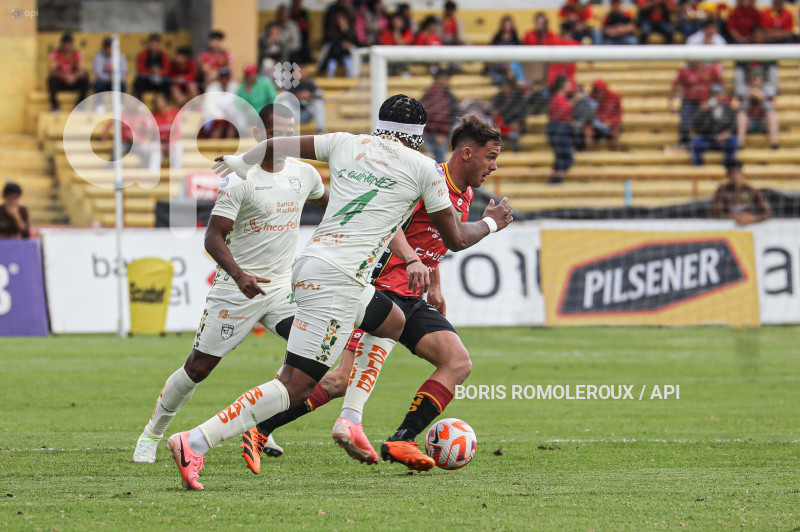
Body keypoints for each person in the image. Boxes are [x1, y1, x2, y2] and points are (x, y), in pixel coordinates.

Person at [166, 94, 513, 490]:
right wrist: (491, 224)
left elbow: (274, 146)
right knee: (296, 385)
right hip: (338, 283)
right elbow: (454, 238)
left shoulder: (346, 142)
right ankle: (194, 441)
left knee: (393, 321)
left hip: (319, 267)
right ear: (418, 136)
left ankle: (354, 419)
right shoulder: (423, 169)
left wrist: (239, 163)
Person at [238, 115, 504, 473]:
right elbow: (392, 223)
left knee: (457, 362)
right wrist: (489, 224)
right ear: (468, 153)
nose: (494, 165)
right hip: (376, 289)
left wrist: (435, 285)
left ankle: (403, 438)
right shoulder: (423, 176)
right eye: (491, 156)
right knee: (337, 379)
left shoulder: (464, 192)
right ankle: (258, 428)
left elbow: (436, 239)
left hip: (410, 296)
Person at [132, 103, 330, 464]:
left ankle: (260, 428)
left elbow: (334, 211)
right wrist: (240, 276)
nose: (284, 138)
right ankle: (152, 433)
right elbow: (213, 238)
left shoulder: (305, 175)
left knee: (310, 356)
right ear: (258, 134)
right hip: (236, 291)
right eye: (276, 131)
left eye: (290, 131)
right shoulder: (240, 179)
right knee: (197, 369)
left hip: (282, 290)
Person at [668, 61, 723, 146]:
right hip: (689, 101)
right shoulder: (684, 71)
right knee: (685, 123)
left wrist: (711, 103)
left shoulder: (712, 69)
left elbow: (720, 92)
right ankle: (684, 142)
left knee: (711, 121)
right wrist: (670, 104)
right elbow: (674, 87)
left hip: (706, 102)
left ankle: (711, 142)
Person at [711, 160, 772, 225]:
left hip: (749, 226)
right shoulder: (722, 191)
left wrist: (754, 218)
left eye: (736, 173)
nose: (734, 177)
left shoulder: (751, 190)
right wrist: (732, 217)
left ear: (742, 174)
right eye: (732, 174)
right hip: (728, 226)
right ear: (728, 175)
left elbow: (768, 213)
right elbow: (716, 213)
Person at [689, 87, 738, 166]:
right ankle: (698, 167)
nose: (717, 97)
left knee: (733, 140)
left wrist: (727, 133)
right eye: (714, 95)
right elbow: (696, 126)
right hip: (708, 140)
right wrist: (702, 111)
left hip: (723, 140)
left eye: (719, 95)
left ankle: (728, 166)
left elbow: (733, 125)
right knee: (696, 141)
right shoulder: (704, 109)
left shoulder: (728, 109)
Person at [736, 67, 779, 150]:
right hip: (749, 123)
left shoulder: (768, 89)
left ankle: (774, 143)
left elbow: (771, 108)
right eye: (752, 79)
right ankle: (740, 143)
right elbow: (740, 109)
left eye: (756, 79)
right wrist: (747, 98)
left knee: (772, 115)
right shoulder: (744, 90)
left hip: (764, 123)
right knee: (741, 115)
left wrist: (762, 99)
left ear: (762, 79)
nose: (753, 81)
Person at [421, 69, 459, 162]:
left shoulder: (447, 95)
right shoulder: (434, 94)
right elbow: (439, 116)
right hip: (433, 133)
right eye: (445, 79)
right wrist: (441, 133)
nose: (448, 81)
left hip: (434, 131)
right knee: (436, 160)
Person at [547, 75, 577, 184]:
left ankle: (554, 181)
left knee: (561, 158)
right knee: (567, 158)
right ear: (563, 85)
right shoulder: (559, 97)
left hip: (558, 129)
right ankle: (555, 181)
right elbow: (561, 112)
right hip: (559, 129)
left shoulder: (558, 97)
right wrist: (573, 101)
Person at [47, 33, 89, 112]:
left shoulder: (77, 54)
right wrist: (64, 76)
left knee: (85, 79)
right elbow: (52, 70)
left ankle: (79, 106)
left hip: (74, 81)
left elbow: (82, 70)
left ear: (72, 44)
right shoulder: (56, 54)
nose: (67, 46)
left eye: (69, 44)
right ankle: (55, 106)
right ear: (62, 44)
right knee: (51, 79)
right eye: (65, 44)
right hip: (61, 82)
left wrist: (74, 77)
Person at [202, 67, 241, 139]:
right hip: (213, 117)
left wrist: (228, 114)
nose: (224, 80)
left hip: (229, 117)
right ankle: (212, 148)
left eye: (226, 78)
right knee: (220, 125)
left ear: (229, 78)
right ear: (219, 79)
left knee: (232, 125)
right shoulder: (212, 88)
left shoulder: (234, 87)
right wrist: (221, 116)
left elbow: (236, 105)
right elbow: (210, 107)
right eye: (222, 78)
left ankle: (228, 148)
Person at [288, 63, 327, 134]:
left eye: (302, 71)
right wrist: (298, 96)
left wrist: (309, 95)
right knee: (284, 103)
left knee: (318, 103)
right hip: (293, 114)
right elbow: (286, 97)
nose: (301, 73)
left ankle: (320, 130)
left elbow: (319, 95)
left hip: (307, 112)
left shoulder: (310, 83)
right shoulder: (289, 84)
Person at [491, 78, 526, 153]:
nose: (506, 89)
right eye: (504, 87)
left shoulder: (518, 100)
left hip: (514, 126)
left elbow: (522, 115)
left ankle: (516, 155)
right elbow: (493, 110)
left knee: (513, 136)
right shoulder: (498, 98)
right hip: (500, 126)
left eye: (508, 87)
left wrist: (518, 123)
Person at [586, 79, 622, 151]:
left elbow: (618, 114)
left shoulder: (615, 97)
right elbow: (587, 115)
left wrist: (611, 122)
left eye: (600, 92)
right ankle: (589, 150)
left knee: (615, 129)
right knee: (587, 129)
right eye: (596, 92)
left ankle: (615, 151)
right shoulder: (589, 98)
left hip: (610, 125)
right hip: (596, 126)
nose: (598, 95)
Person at [133, 34, 171, 101]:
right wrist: (151, 72)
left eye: (156, 45)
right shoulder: (142, 55)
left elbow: (167, 69)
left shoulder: (164, 55)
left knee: (167, 81)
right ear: (149, 44)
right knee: (139, 80)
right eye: (152, 45)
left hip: (160, 79)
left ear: (159, 45)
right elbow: (141, 69)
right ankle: (139, 102)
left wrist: (159, 72)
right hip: (147, 80)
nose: (154, 47)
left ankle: (163, 101)